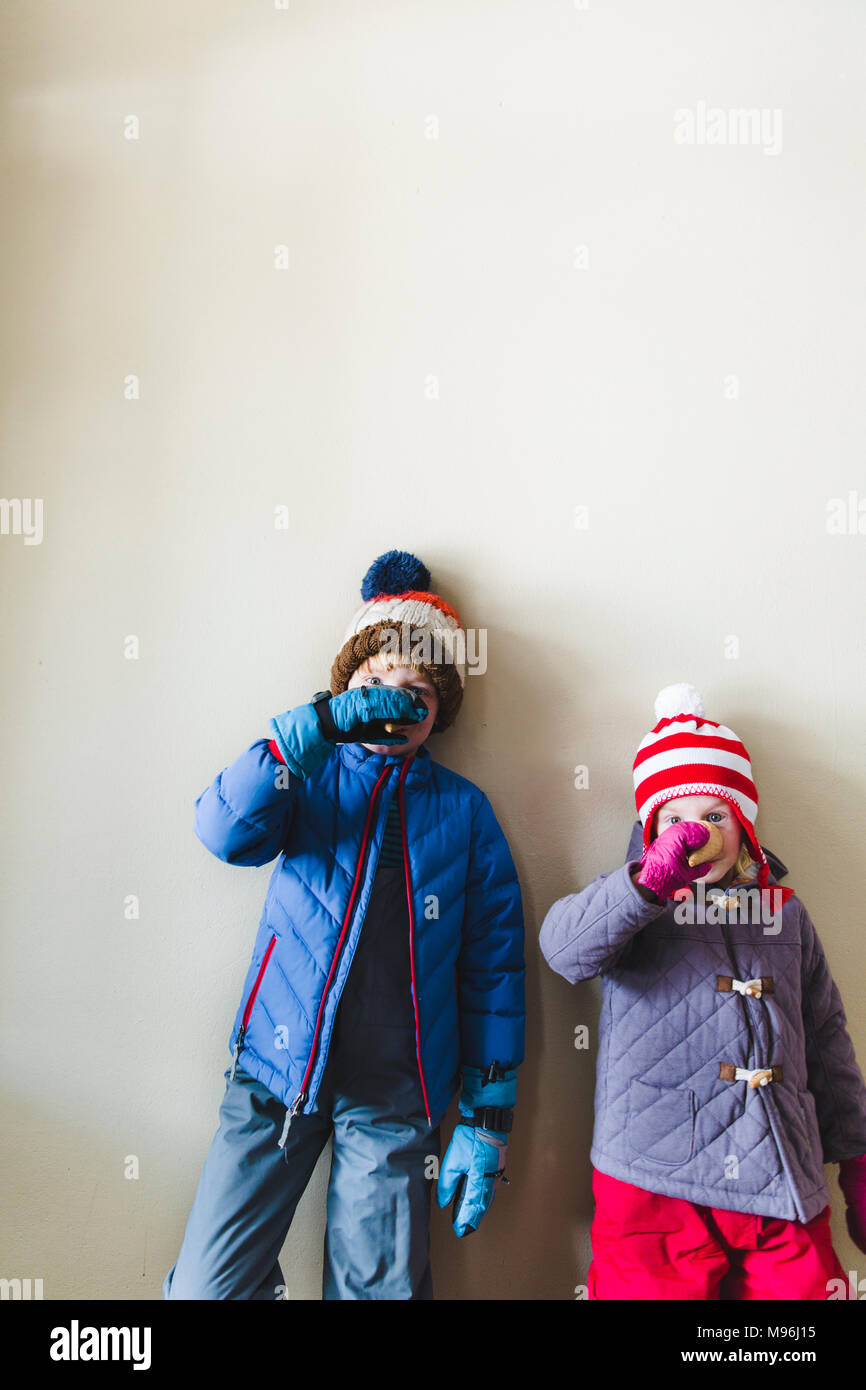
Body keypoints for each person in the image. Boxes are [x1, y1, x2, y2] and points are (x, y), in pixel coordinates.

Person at [163, 549, 525, 1300]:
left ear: (440, 709)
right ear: (344, 688)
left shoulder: (465, 814)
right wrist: (315, 728)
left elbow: (494, 971)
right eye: (372, 686)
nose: (391, 705)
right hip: (275, 1076)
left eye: (415, 690)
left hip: (396, 1096)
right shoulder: (307, 773)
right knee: (206, 1290)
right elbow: (222, 830)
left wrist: (489, 1115)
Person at [540, 682, 866, 1300]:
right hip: (653, 1179)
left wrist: (857, 1159)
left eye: (715, 816)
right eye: (675, 818)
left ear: (743, 824)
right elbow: (563, 952)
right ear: (650, 826)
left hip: (777, 1166)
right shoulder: (634, 903)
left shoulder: (786, 915)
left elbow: (827, 1039)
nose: (696, 832)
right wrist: (646, 884)